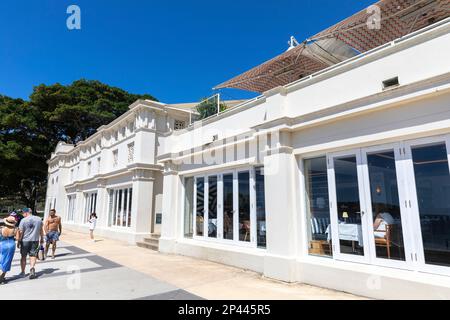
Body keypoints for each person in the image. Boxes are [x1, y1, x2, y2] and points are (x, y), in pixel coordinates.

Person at [17, 208, 44, 280]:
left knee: (23, 256)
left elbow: (21, 232)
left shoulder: (23, 220)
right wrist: (41, 238)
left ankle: (23, 272)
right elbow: (41, 230)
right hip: (35, 240)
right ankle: (32, 268)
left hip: (25, 241)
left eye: (23, 213)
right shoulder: (39, 219)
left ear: (26, 213)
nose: (22, 215)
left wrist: (19, 241)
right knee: (33, 255)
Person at [0, 216, 18, 284]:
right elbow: (17, 238)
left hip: (2, 244)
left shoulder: (1, 229)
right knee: (7, 261)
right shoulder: (16, 229)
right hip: (11, 245)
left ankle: (2, 277)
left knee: (2, 260)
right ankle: (1, 278)